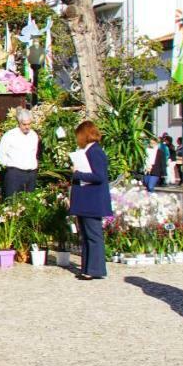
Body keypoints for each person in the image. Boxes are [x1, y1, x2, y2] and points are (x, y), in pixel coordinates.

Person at [69, 120, 111, 280]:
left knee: (93, 235)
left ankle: (95, 270)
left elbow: (99, 176)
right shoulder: (88, 151)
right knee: (86, 235)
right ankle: (88, 268)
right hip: (86, 200)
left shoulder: (95, 151)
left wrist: (77, 174)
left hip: (92, 200)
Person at [0, 108, 39, 198]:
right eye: (24, 124)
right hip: (15, 174)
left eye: (29, 124)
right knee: (12, 202)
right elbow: (1, 155)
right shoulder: (10, 135)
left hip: (31, 174)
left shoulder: (33, 135)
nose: (27, 127)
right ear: (19, 123)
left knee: (29, 203)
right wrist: (10, 167)